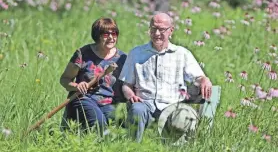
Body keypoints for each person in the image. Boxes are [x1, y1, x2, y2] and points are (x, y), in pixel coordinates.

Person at [119, 12, 212, 142]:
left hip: (172, 107)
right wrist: (131, 96)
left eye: (161, 29)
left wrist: (204, 79)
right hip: (145, 104)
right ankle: (132, 148)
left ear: (171, 31)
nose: (157, 33)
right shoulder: (136, 53)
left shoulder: (182, 54)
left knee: (182, 118)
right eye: (153, 28)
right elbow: (126, 85)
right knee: (137, 110)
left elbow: (198, 77)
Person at [60, 17, 127, 135]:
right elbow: (64, 80)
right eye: (106, 34)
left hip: (109, 102)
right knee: (99, 124)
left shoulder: (122, 58)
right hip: (84, 98)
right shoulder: (83, 54)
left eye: (114, 33)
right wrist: (77, 85)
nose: (111, 37)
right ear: (97, 35)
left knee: (119, 129)